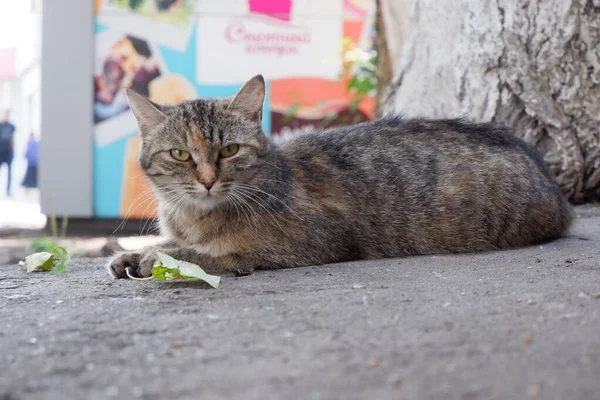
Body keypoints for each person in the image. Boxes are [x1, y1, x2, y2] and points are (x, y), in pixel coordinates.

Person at [0, 109, 15, 197]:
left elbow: (13, 138)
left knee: (10, 172)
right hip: (0, 151)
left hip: (9, 151)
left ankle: (8, 190)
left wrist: (13, 150)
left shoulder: (12, 126)